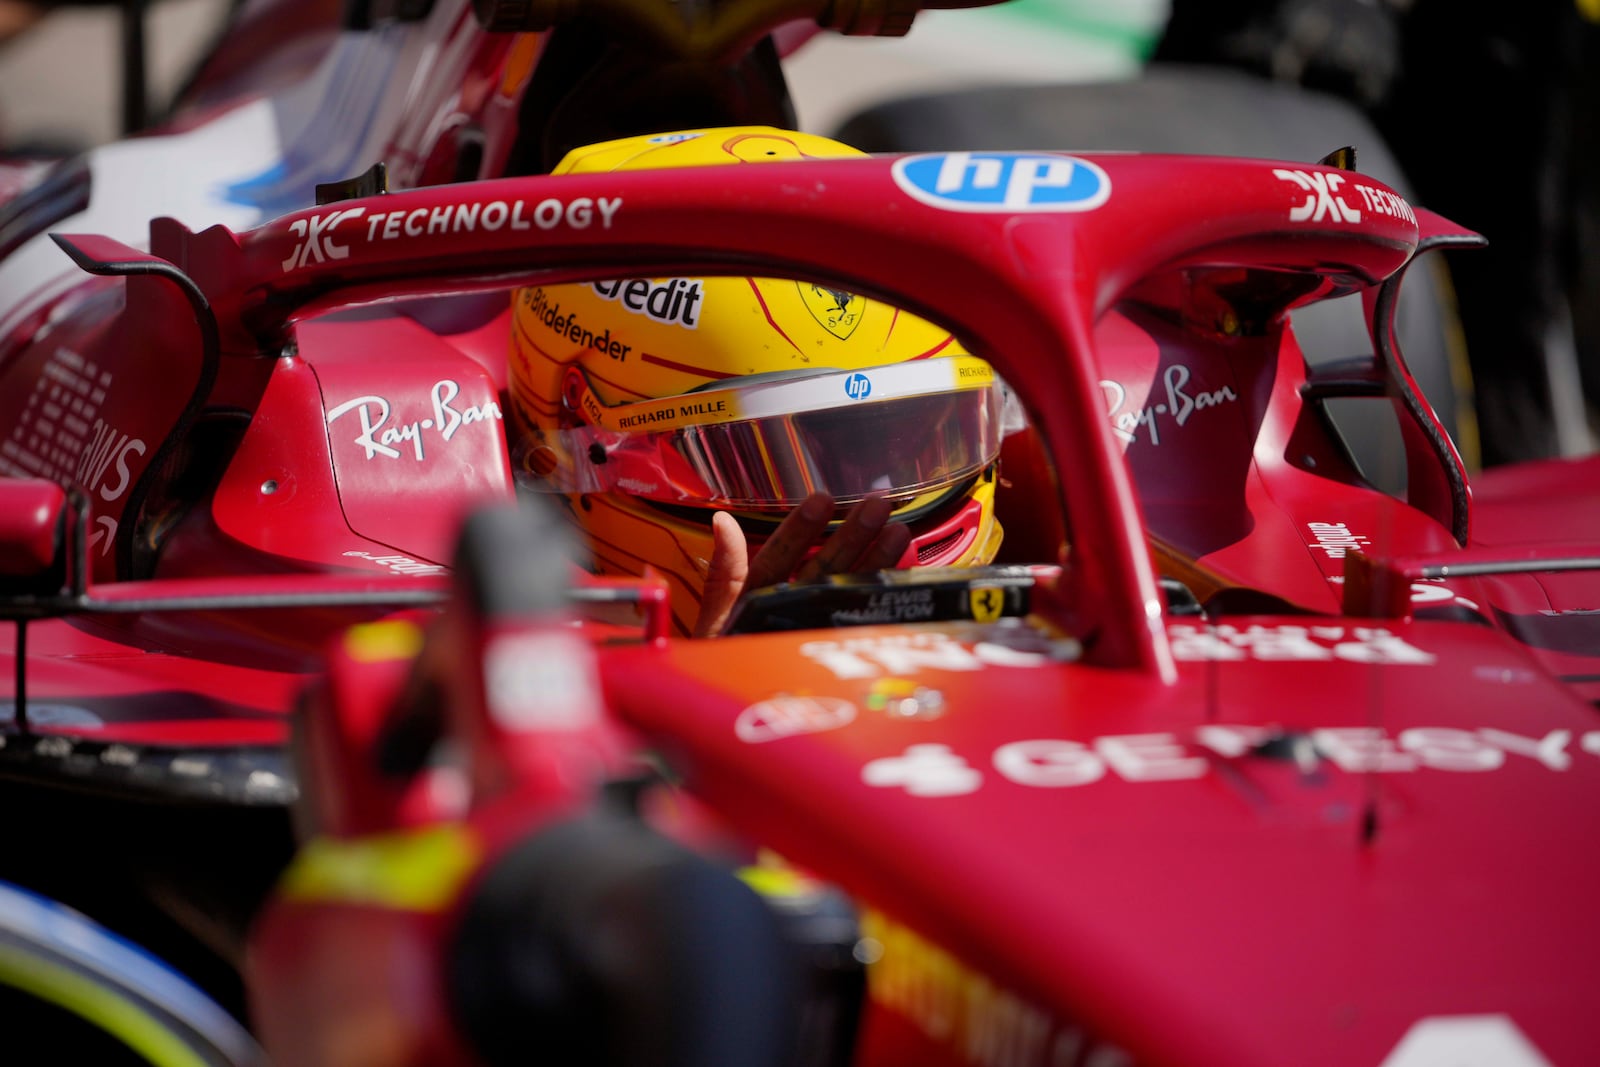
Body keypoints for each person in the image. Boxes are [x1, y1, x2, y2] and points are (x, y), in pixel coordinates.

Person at [505, 127, 1010, 636]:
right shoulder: (501, 663)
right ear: (584, 441)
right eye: (766, 466)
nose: (877, 505)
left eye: (927, 438)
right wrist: (732, 678)